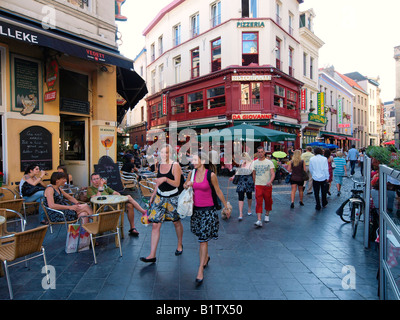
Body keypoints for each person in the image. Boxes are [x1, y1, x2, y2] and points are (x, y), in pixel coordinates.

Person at [184, 151, 231, 285]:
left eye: (194, 159)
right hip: (195, 211)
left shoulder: (211, 175)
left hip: (208, 211)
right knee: (201, 236)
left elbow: (218, 191)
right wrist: (186, 185)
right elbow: (184, 185)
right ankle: (206, 256)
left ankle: (200, 270)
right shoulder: (191, 174)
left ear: (202, 161)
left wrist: (226, 207)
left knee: (202, 240)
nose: (192, 162)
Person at [140, 144, 184, 263]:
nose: (164, 155)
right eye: (162, 152)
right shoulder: (158, 165)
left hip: (172, 198)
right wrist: (153, 195)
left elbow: (177, 183)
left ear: (171, 154)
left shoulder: (175, 165)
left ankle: (180, 244)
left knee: (176, 222)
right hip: (160, 197)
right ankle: (152, 255)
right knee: (155, 224)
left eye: (167, 152)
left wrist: (165, 179)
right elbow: (158, 183)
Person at [252, 145, 275, 227]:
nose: (260, 154)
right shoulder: (254, 162)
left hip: (267, 185)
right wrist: (255, 183)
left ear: (264, 152)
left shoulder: (269, 162)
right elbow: (253, 174)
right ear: (257, 153)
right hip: (258, 185)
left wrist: (270, 181)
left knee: (268, 200)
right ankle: (259, 220)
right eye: (259, 152)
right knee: (258, 202)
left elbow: (273, 173)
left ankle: (267, 214)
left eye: (262, 152)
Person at [229, 152, 254, 220]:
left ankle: (249, 209)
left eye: (244, 158)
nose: (243, 159)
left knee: (249, 196)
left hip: (248, 181)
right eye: (242, 158)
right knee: (240, 196)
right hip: (241, 181)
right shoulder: (241, 163)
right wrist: (233, 177)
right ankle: (240, 213)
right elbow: (238, 172)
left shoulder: (251, 163)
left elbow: (252, 172)